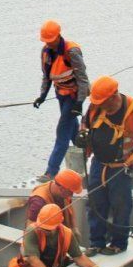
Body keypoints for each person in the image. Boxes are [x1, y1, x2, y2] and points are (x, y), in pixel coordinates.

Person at [78, 75, 133, 256]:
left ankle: (118, 243)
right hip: (99, 163)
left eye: (103, 101)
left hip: (121, 166)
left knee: (121, 205)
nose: (100, 105)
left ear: (113, 96)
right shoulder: (95, 107)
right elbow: (85, 122)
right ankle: (96, 243)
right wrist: (83, 134)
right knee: (96, 203)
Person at [5, 204, 108, 267]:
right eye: (43, 228)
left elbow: (78, 257)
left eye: (49, 229)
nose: (45, 231)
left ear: (59, 223)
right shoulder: (32, 231)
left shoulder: (67, 234)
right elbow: (33, 259)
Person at [33, 20, 89, 182]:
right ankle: (84, 159)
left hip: (73, 97)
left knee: (62, 132)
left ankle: (51, 171)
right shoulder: (46, 53)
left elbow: (83, 80)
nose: (48, 44)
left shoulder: (71, 52)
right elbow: (47, 76)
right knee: (72, 131)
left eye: (50, 41)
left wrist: (79, 103)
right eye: (46, 41)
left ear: (58, 36)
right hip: (61, 96)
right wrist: (42, 96)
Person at [26, 169, 83, 241]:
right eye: (71, 192)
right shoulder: (39, 202)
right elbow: (30, 232)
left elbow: (69, 210)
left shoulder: (63, 192)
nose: (71, 195)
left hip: (60, 233)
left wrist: (74, 228)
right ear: (62, 188)